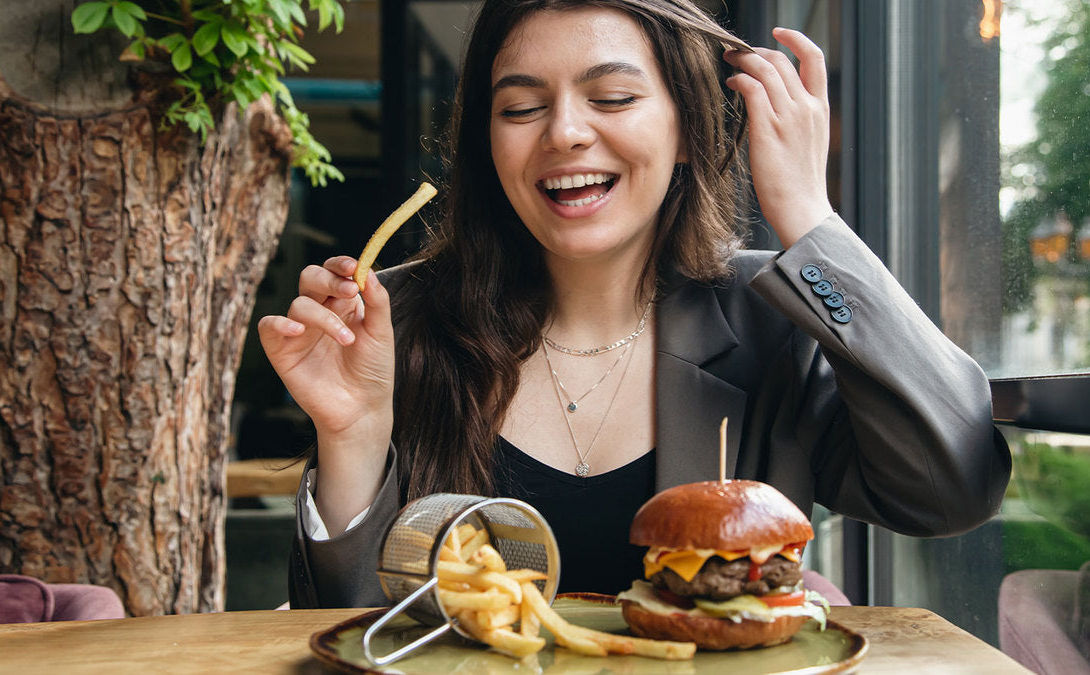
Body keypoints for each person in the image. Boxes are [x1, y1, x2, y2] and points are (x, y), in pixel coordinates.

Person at [259, 0, 1012, 609]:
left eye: (612, 97)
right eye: (520, 108)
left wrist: (810, 221)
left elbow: (953, 488)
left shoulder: (771, 319)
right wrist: (351, 436)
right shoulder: (397, 322)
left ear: (687, 127)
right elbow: (346, 623)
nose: (564, 133)